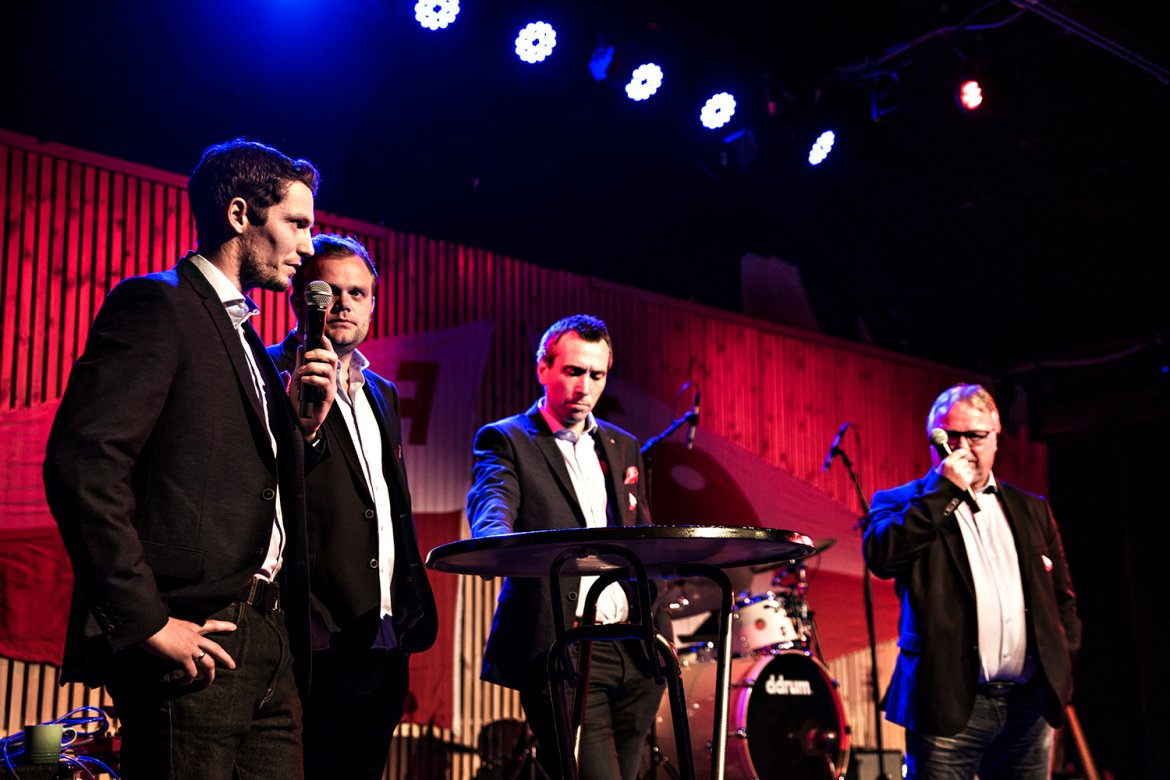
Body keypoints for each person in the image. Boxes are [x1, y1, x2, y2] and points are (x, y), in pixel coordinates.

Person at [43, 139, 337, 778]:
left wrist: (305, 430)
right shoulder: (158, 304)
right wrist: (146, 620)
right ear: (239, 215)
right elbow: (83, 463)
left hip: (271, 636)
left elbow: (249, 483)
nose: (308, 245)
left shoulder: (249, 339)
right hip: (193, 629)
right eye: (297, 223)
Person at [466, 314, 669, 780]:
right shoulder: (506, 438)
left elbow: (641, 530)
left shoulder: (623, 445)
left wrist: (659, 633)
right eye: (574, 371)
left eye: (596, 375)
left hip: (636, 649)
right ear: (544, 368)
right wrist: (493, 541)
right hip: (565, 647)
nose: (585, 387)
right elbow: (493, 501)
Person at [268, 233, 438, 779]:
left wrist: (405, 611)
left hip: (382, 636)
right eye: (329, 291)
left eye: (357, 293)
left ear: (372, 304)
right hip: (312, 636)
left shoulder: (381, 392)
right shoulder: (268, 374)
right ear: (298, 298)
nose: (343, 304)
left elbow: (384, 508)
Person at [864, 383, 1081, 779]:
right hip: (947, 702)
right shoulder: (900, 502)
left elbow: (1062, 598)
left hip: (1026, 704)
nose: (962, 448)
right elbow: (883, 558)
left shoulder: (1031, 508)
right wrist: (943, 491)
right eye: (949, 437)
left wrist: (1059, 661)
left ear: (996, 437)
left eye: (976, 436)